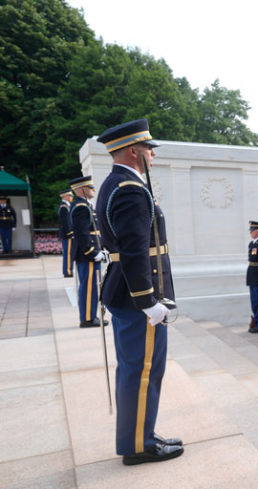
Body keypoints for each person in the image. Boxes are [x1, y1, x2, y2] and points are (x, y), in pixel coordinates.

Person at [95, 118, 183, 465]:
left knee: (138, 368)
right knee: (141, 370)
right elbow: (134, 249)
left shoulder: (116, 183)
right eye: (149, 149)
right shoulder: (130, 188)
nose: (153, 155)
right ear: (134, 152)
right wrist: (147, 301)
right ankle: (137, 445)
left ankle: (141, 433)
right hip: (136, 300)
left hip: (126, 294)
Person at [69, 175, 107, 328]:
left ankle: (90, 316)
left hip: (90, 253)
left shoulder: (85, 205)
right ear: (81, 190)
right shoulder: (81, 207)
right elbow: (82, 234)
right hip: (87, 255)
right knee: (88, 286)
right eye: (90, 187)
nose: (93, 190)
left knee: (91, 286)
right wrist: (92, 252)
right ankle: (87, 319)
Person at [246, 220, 258, 333]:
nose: (251, 232)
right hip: (252, 274)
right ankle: (255, 321)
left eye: (253, 230)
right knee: (254, 301)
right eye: (251, 230)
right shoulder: (252, 244)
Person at [58, 189, 75, 277]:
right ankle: (68, 271)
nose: (72, 197)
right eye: (70, 195)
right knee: (68, 254)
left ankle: (68, 270)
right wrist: (70, 233)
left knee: (69, 253)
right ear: (65, 196)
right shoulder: (64, 207)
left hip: (67, 233)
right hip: (67, 234)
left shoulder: (66, 206)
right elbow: (66, 222)